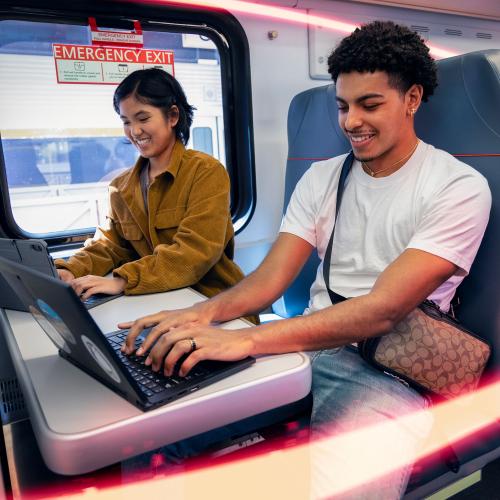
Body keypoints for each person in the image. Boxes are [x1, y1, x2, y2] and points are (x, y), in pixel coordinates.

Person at [119, 22, 491, 497]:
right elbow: (271, 280)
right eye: (343, 106)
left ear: (412, 99)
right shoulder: (321, 178)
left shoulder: (457, 187)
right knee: (154, 431)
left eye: (369, 104)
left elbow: (383, 310)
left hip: (388, 369)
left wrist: (246, 341)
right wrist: (197, 315)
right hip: (309, 344)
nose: (351, 121)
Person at [55, 68, 247, 305]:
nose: (134, 131)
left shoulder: (206, 172)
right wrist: (71, 269)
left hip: (214, 302)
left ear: (173, 116)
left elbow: (193, 255)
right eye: (126, 121)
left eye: (143, 118)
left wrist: (123, 281)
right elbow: (110, 246)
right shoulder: (120, 187)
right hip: (157, 300)